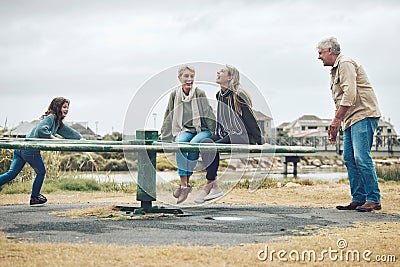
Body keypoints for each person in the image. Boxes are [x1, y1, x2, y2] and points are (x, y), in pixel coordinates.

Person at [317, 37, 382, 212]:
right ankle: (359, 198)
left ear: (330, 50)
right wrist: (336, 122)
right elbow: (341, 101)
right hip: (350, 118)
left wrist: (336, 121)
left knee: (361, 157)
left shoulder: (345, 63)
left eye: (320, 53)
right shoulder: (335, 69)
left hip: (363, 114)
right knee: (349, 158)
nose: (319, 57)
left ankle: (373, 198)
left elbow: (350, 94)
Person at [194, 64, 262, 204]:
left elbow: (250, 119)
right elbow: (221, 117)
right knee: (205, 143)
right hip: (225, 133)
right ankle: (215, 186)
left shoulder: (238, 95)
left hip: (241, 134)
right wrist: (215, 134)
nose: (218, 72)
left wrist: (260, 141)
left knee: (212, 147)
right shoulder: (219, 95)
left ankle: (209, 186)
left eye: (222, 71)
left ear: (230, 77)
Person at [0, 97, 82, 206]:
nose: (67, 110)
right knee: (41, 172)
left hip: (20, 147)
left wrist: (80, 138)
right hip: (30, 149)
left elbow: (70, 133)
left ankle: (35, 196)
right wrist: (53, 138)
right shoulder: (51, 117)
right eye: (64, 107)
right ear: (58, 107)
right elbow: (41, 129)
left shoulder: (57, 123)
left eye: (67, 107)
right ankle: (35, 197)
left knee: (11, 174)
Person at [160, 65, 216, 204]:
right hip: (185, 130)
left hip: (202, 129)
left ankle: (184, 186)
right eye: (186, 76)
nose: (189, 79)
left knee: (193, 145)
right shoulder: (175, 95)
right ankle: (184, 185)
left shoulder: (199, 93)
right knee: (180, 144)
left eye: (191, 76)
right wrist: (164, 136)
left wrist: (215, 133)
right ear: (179, 78)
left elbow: (208, 113)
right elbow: (169, 114)